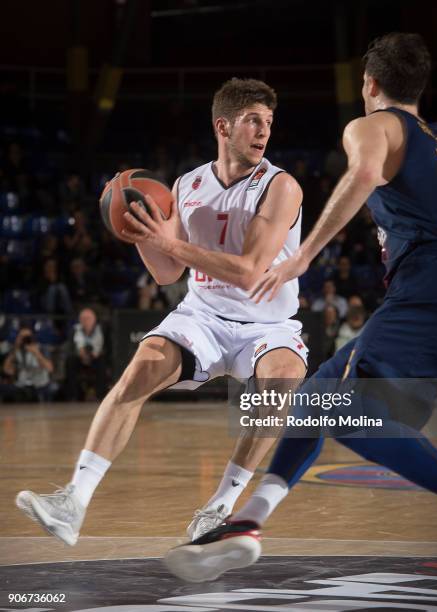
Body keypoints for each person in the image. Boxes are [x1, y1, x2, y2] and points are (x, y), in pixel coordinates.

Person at [163, 32, 437, 582]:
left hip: (432, 286)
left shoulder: (372, 125)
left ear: (371, 83)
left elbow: (361, 175)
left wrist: (303, 256)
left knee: (350, 416)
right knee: (315, 399)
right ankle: (249, 520)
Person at [16, 78, 308, 545]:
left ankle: (218, 509)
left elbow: (251, 272)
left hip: (266, 323)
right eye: (254, 120)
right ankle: (73, 501)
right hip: (204, 315)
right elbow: (167, 272)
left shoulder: (280, 186)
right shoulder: (187, 184)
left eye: (269, 122)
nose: (264, 131)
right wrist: (139, 234)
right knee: (139, 370)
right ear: (223, 126)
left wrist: (168, 242)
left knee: (280, 383)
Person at [1, 326, 54, 402]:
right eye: (22, 337)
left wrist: (37, 353)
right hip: (22, 385)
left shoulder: (41, 348)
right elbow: (6, 370)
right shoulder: (15, 351)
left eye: (27, 337)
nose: (25, 340)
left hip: (39, 384)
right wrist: (15, 350)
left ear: (33, 337)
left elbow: (50, 369)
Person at [65, 308, 107, 401]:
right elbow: (70, 348)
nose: (86, 321)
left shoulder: (101, 329)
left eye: (88, 318)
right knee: (70, 361)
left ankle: (100, 395)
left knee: (102, 362)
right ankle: (73, 396)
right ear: (80, 320)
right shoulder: (75, 330)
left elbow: (106, 347)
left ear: (94, 319)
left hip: (96, 357)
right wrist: (80, 354)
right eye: (83, 319)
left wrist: (95, 353)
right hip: (79, 357)